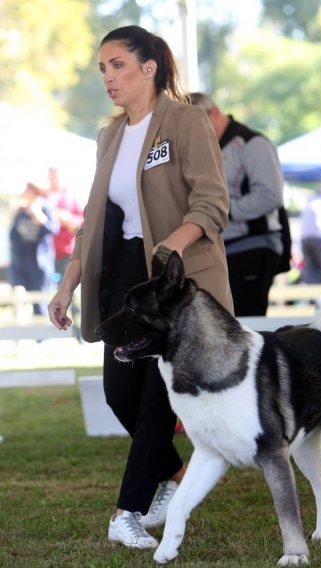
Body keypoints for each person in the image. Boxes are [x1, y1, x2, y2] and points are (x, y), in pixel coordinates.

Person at [47, 25, 233, 550]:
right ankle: (175, 477)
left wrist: (171, 246)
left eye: (117, 65)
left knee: (157, 401)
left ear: (149, 68)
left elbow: (212, 202)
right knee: (118, 394)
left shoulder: (185, 121)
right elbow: (91, 220)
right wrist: (67, 286)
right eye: (102, 67)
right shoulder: (110, 135)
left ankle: (127, 513)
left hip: (178, 282)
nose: (108, 76)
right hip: (125, 278)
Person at [189, 92, 286, 317]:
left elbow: (271, 196)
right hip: (219, 250)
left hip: (251, 248)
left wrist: (217, 210)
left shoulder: (252, 143)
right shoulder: (205, 149)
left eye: (194, 124)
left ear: (214, 114)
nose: (191, 133)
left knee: (245, 327)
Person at [9, 180, 58, 315]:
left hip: (39, 265)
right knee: (19, 301)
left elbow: (53, 230)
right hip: (20, 264)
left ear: (34, 191)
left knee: (40, 304)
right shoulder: (20, 211)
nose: (24, 193)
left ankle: (42, 336)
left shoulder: (46, 208)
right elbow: (12, 235)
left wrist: (37, 215)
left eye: (27, 189)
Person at [46, 167, 84, 283]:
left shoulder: (71, 199)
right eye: (52, 177)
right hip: (46, 254)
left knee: (65, 288)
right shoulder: (43, 198)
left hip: (66, 253)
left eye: (56, 177)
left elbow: (82, 222)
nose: (54, 180)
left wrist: (68, 218)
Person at [299, 184, 321, 284]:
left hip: (305, 239)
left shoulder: (310, 201)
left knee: (310, 269)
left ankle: (312, 296)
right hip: (319, 238)